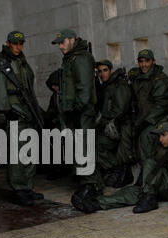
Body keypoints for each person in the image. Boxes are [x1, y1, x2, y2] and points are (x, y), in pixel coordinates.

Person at [73, 122, 168, 214]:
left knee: (149, 163)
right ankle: (95, 204)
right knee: (131, 193)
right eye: (159, 136)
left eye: (164, 135)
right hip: (156, 186)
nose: (160, 139)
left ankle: (148, 196)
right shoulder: (162, 147)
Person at [0, 31, 44, 206]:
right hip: (14, 111)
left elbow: (29, 88)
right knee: (17, 153)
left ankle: (27, 187)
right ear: (8, 43)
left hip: (27, 110)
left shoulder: (21, 61)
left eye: (21, 43)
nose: (18, 47)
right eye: (15, 43)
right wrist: (5, 109)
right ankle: (19, 189)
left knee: (29, 150)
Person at [51, 29, 104, 203]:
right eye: (59, 43)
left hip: (81, 111)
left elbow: (84, 88)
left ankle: (91, 184)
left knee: (84, 147)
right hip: (75, 110)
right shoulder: (72, 57)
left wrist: (77, 109)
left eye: (62, 42)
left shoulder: (80, 57)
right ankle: (89, 182)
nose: (60, 46)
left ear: (72, 40)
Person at [94, 59, 134, 188]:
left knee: (97, 145)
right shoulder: (107, 86)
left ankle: (116, 169)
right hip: (110, 125)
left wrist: (104, 119)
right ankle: (112, 169)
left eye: (105, 70)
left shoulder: (119, 85)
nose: (102, 74)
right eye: (100, 71)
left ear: (110, 71)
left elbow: (120, 110)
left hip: (120, 125)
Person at [131, 49, 168, 163]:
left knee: (145, 136)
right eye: (141, 61)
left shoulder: (161, 80)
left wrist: (146, 122)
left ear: (153, 61)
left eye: (147, 61)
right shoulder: (138, 78)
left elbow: (161, 105)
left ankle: (148, 171)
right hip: (143, 117)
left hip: (159, 118)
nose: (144, 65)